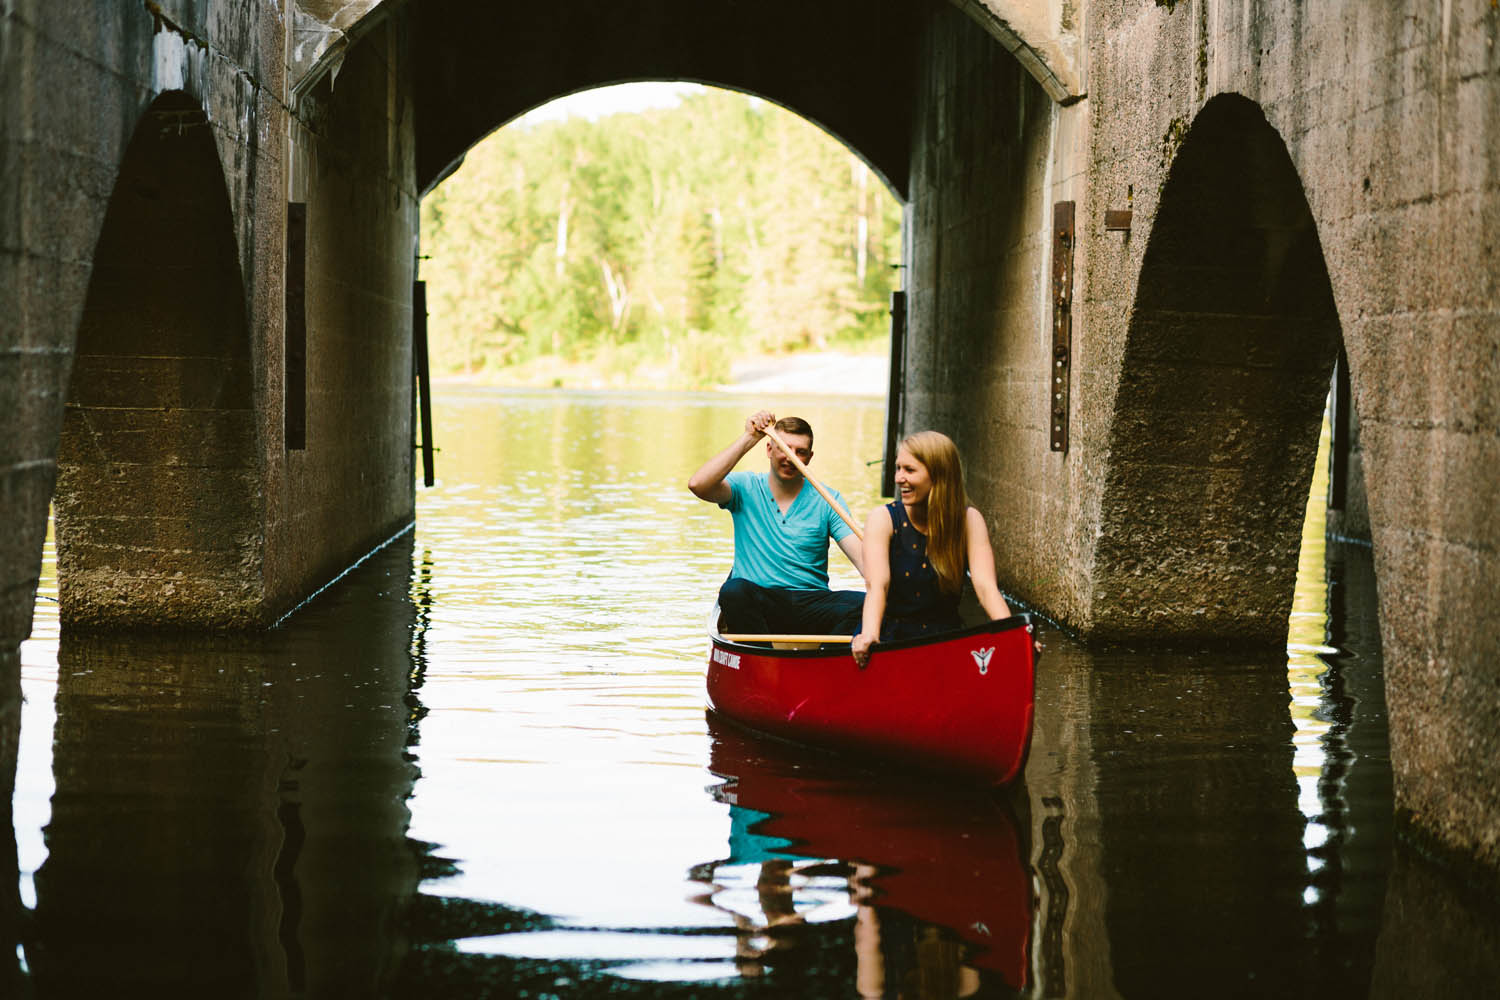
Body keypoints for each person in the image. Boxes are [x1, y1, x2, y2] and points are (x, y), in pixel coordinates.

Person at [689, 410, 864, 635]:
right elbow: (698, 485)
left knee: (871, 606)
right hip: (760, 602)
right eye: (784, 448)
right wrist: (749, 437)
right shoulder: (745, 487)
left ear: (809, 458)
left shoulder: (828, 500)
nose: (791, 458)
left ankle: (823, 657)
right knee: (733, 591)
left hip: (810, 602)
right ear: (769, 449)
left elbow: (864, 561)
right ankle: (763, 657)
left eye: (800, 452)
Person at [852, 430, 1011, 666]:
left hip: (945, 638)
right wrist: (870, 635)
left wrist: (1015, 636)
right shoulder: (882, 519)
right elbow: (878, 586)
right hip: (890, 638)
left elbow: (986, 588)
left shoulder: (969, 520)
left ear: (938, 475)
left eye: (909, 470)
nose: (898, 478)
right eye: (898, 468)